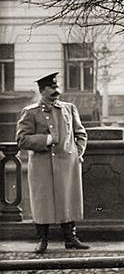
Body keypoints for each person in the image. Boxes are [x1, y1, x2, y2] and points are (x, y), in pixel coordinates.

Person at [16, 72, 89, 253]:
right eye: (52, 88)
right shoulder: (30, 112)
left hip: (67, 164)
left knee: (68, 199)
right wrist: (46, 140)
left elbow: (81, 134)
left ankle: (70, 239)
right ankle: (42, 240)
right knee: (43, 202)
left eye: (57, 87)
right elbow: (22, 140)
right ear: (42, 90)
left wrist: (76, 153)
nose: (56, 91)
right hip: (42, 165)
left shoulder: (69, 108)